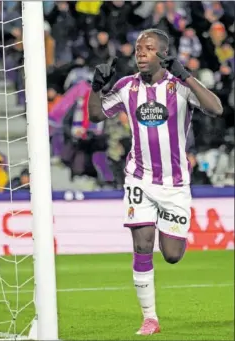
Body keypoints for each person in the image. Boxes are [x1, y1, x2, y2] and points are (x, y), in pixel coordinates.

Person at [88, 29, 223, 335]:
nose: (140, 53)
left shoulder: (179, 86)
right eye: (138, 49)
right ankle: (150, 318)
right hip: (139, 178)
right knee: (142, 243)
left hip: (174, 184)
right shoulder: (127, 86)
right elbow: (96, 115)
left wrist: (186, 75)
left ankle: (168, 232)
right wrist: (95, 88)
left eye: (148, 49)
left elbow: (216, 108)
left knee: (173, 255)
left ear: (163, 54)